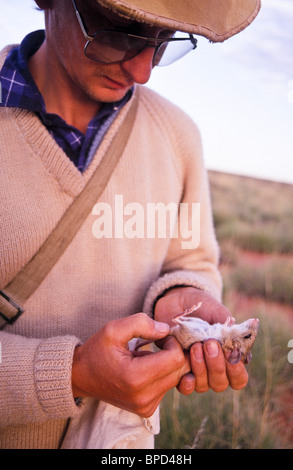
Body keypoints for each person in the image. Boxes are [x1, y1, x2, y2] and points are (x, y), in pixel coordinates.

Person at [0, 0, 261, 449]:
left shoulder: (178, 135)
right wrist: (73, 373)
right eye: (120, 30)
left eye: (162, 42)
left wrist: (183, 297)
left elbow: (192, 260)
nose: (142, 71)